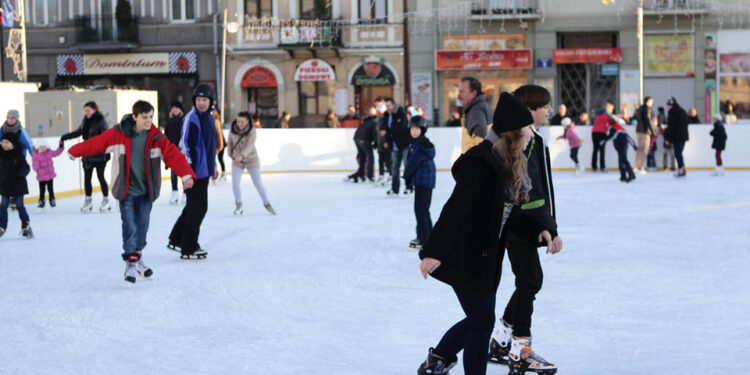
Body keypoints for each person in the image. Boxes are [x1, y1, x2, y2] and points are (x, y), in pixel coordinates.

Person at [416, 92, 560, 375]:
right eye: (525, 130)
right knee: (482, 323)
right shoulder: (482, 165)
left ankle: (439, 358)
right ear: (512, 134)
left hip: (486, 257)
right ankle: (443, 360)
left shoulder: (510, 164)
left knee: (479, 320)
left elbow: (511, 215)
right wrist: (434, 251)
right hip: (465, 254)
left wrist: (540, 228)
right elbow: (454, 210)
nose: (531, 136)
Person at [69, 100, 196, 283]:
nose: (148, 121)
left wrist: (186, 175)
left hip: (146, 191)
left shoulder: (155, 137)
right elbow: (97, 143)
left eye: (151, 117)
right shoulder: (119, 133)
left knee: (142, 226)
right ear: (135, 116)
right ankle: (131, 262)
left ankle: (137, 258)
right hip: (126, 189)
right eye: (144, 117)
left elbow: (173, 154)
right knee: (130, 226)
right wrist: (76, 150)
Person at [487, 84, 561, 375]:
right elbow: (521, 193)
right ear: (528, 110)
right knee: (530, 281)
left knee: (529, 280)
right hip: (518, 224)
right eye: (544, 106)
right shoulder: (515, 142)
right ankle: (519, 347)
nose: (549, 111)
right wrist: (544, 227)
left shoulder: (535, 140)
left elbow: (540, 189)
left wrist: (547, 225)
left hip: (530, 223)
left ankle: (503, 337)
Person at [168, 83, 219, 259]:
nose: (202, 103)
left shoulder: (211, 118)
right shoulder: (191, 118)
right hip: (193, 171)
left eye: (205, 100)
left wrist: (213, 166)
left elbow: (210, 146)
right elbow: (183, 146)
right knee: (198, 208)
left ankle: (176, 239)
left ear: (210, 101)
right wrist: (186, 173)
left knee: (194, 207)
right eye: (199, 100)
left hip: (204, 170)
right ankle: (189, 247)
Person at [60, 102, 111, 213]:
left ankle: (106, 201)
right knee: (87, 179)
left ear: (94, 110)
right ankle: (88, 202)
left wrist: (105, 152)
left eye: (88, 110)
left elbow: (107, 138)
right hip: (87, 154)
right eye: (85, 111)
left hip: (99, 155)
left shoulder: (101, 121)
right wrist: (65, 137)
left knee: (100, 177)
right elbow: (78, 132)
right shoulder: (85, 121)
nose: (86, 113)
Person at [227, 112, 275, 216]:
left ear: (247, 121)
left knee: (258, 183)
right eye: (238, 121)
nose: (239, 123)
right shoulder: (233, 129)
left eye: (242, 121)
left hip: (251, 160)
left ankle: (266, 202)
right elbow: (229, 144)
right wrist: (232, 156)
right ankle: (238, 204)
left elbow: (250, 146)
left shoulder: (252, 131)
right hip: (237, 161)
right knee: (235, 184)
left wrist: (242, 156)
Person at [403, 115, 435, 251]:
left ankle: (424, 239)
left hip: (424, 181)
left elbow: (412, 164)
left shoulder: (420, 145)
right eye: (412, 129)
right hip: (425, 181)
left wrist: (406, 177)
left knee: (420, 211)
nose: (414, 131)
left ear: (423, 129)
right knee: (423, 210)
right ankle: (430, 237)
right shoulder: (419, 143)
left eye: (417, 129)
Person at [0, 132, 33, 239]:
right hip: (5, 185)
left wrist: (20, 174)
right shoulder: (1, 155)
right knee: (3, 206)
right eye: (3, 142)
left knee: (19, 205)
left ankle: (25, 224)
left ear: (13, 144)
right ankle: (2, 227)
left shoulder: (19, 155)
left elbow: (26, 168)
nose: (4, 144)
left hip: (18, 185)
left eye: (7, 142)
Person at [381, 98, 410, 195]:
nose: (387, 108)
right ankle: (395, 189)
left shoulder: (401, 113)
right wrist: (385, 140)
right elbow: (384, 128)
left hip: (404, 144)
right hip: (394, 146)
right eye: (386, 106)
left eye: (389, 105)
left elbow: (401, 128)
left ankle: (409, 187)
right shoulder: (386, 115)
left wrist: (387, 132)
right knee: (394, 168)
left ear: (393, 105)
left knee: (407, 167)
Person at [600, 116, 638, 183]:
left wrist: (603, 141)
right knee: (621, 160)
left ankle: (631, 174)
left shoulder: (613, 128)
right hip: (623, 145)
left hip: (621, 145)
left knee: (624, 160)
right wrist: (633, 145)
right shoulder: (619, 127)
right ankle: (623, 176)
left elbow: (611, 136)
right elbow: (627, 137)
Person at [459, 76, 492, 152]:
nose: (459, 95)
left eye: (462, 92)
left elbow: (479, 146)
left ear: (473, 93)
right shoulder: (482, 106)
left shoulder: (476, 111)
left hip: (474, 162)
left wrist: (470, 161)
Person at [162, 101, 185, 204]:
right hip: (172, 151)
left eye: (177, 108)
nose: (175, 110)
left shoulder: (184, 121)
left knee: (184, 173)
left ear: (180, 110)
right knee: (173, 174)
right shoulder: (169, 122)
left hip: (183, 151)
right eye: (173, 108)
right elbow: (166, 137)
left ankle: (186, 194)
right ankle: (174, 193)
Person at [32, 139, 65, 209]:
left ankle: (52, 199)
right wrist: (38, 170)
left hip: (50, 175)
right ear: (37, 147)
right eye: (41, 147)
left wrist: (61, 146)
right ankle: (41, 201)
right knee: (42, 189)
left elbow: (57, 152)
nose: (42, 148)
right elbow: (35, 165)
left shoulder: (49, 152)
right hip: (41, 176)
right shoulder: (36, 155)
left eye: (44, 147)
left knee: (50, 188)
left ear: (46, 147)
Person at [664, 97, 690, 178]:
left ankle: (681, 169)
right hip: (683, 136)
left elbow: (671, 126)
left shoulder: (673, 112)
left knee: (677, 153)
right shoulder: (681, 111)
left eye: (668, 105)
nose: (667, 107)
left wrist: (667, 138)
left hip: (678, 136)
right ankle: (681, 169)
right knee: (678, 153)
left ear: (672, 105)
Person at [591, 102, 618, 172]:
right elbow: (612, 122)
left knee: (595, 150)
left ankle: (594, 167)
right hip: (601, 133)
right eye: (612, 108)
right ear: (608, 107)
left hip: (595, 132)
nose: (612, 109)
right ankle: (602, 167)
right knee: (601, 150)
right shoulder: (606, 114)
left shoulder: (599, 113)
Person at [353, 106, 378, 183]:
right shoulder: (372, 121)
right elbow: (375, 133)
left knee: (363, 157)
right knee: (370, 158)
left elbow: (374, 133)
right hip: (363, 140)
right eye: (370, 111)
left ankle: (361, 175)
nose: (370, 112)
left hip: (359, 139)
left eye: (372, 111)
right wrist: (376, 144)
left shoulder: (369, 120)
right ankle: (369, 176)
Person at [634, 96, 655, 174]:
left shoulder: (640, 108)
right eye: (651, 101)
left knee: (640, 149)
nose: (652, 103)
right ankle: (640, 167)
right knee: (645, 149)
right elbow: (647, 119)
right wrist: (652, 131)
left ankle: (637, 166)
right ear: (648, 101)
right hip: (645, 132)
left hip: (639, 131)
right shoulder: (647, 108)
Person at [212, 108, 227, 181]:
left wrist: (220, 145)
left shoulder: (216, 121)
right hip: (215, 144)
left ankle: (223, 174)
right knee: (214, 159)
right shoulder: (211, 120)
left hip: (220, 143)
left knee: (220, 159)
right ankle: (214, 174)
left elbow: (219, 133)